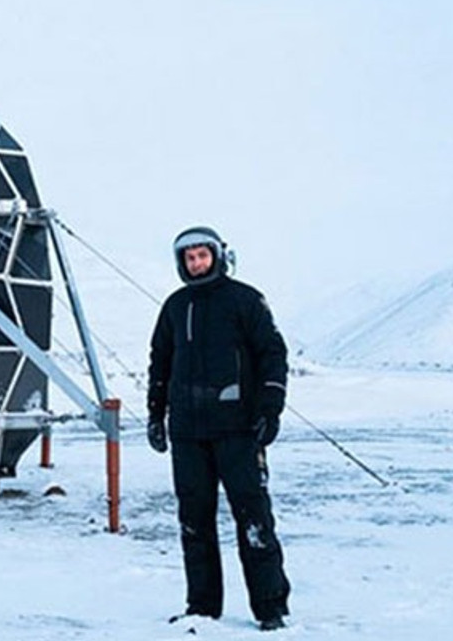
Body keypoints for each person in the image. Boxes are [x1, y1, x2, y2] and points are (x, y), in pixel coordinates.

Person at [146, 226, 291, 631]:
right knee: (194, 521)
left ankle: (271, 608)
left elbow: (272, 356)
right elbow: (160, 363)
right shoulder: (175, 307)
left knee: (254, 519)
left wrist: (270, 409)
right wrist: (156, 415)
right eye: (189, 258)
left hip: (238, 431)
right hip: (188, 434)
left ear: (217, 256)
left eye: (202, 256)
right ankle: (203, 607)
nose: (196, 264)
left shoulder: (245, 300)